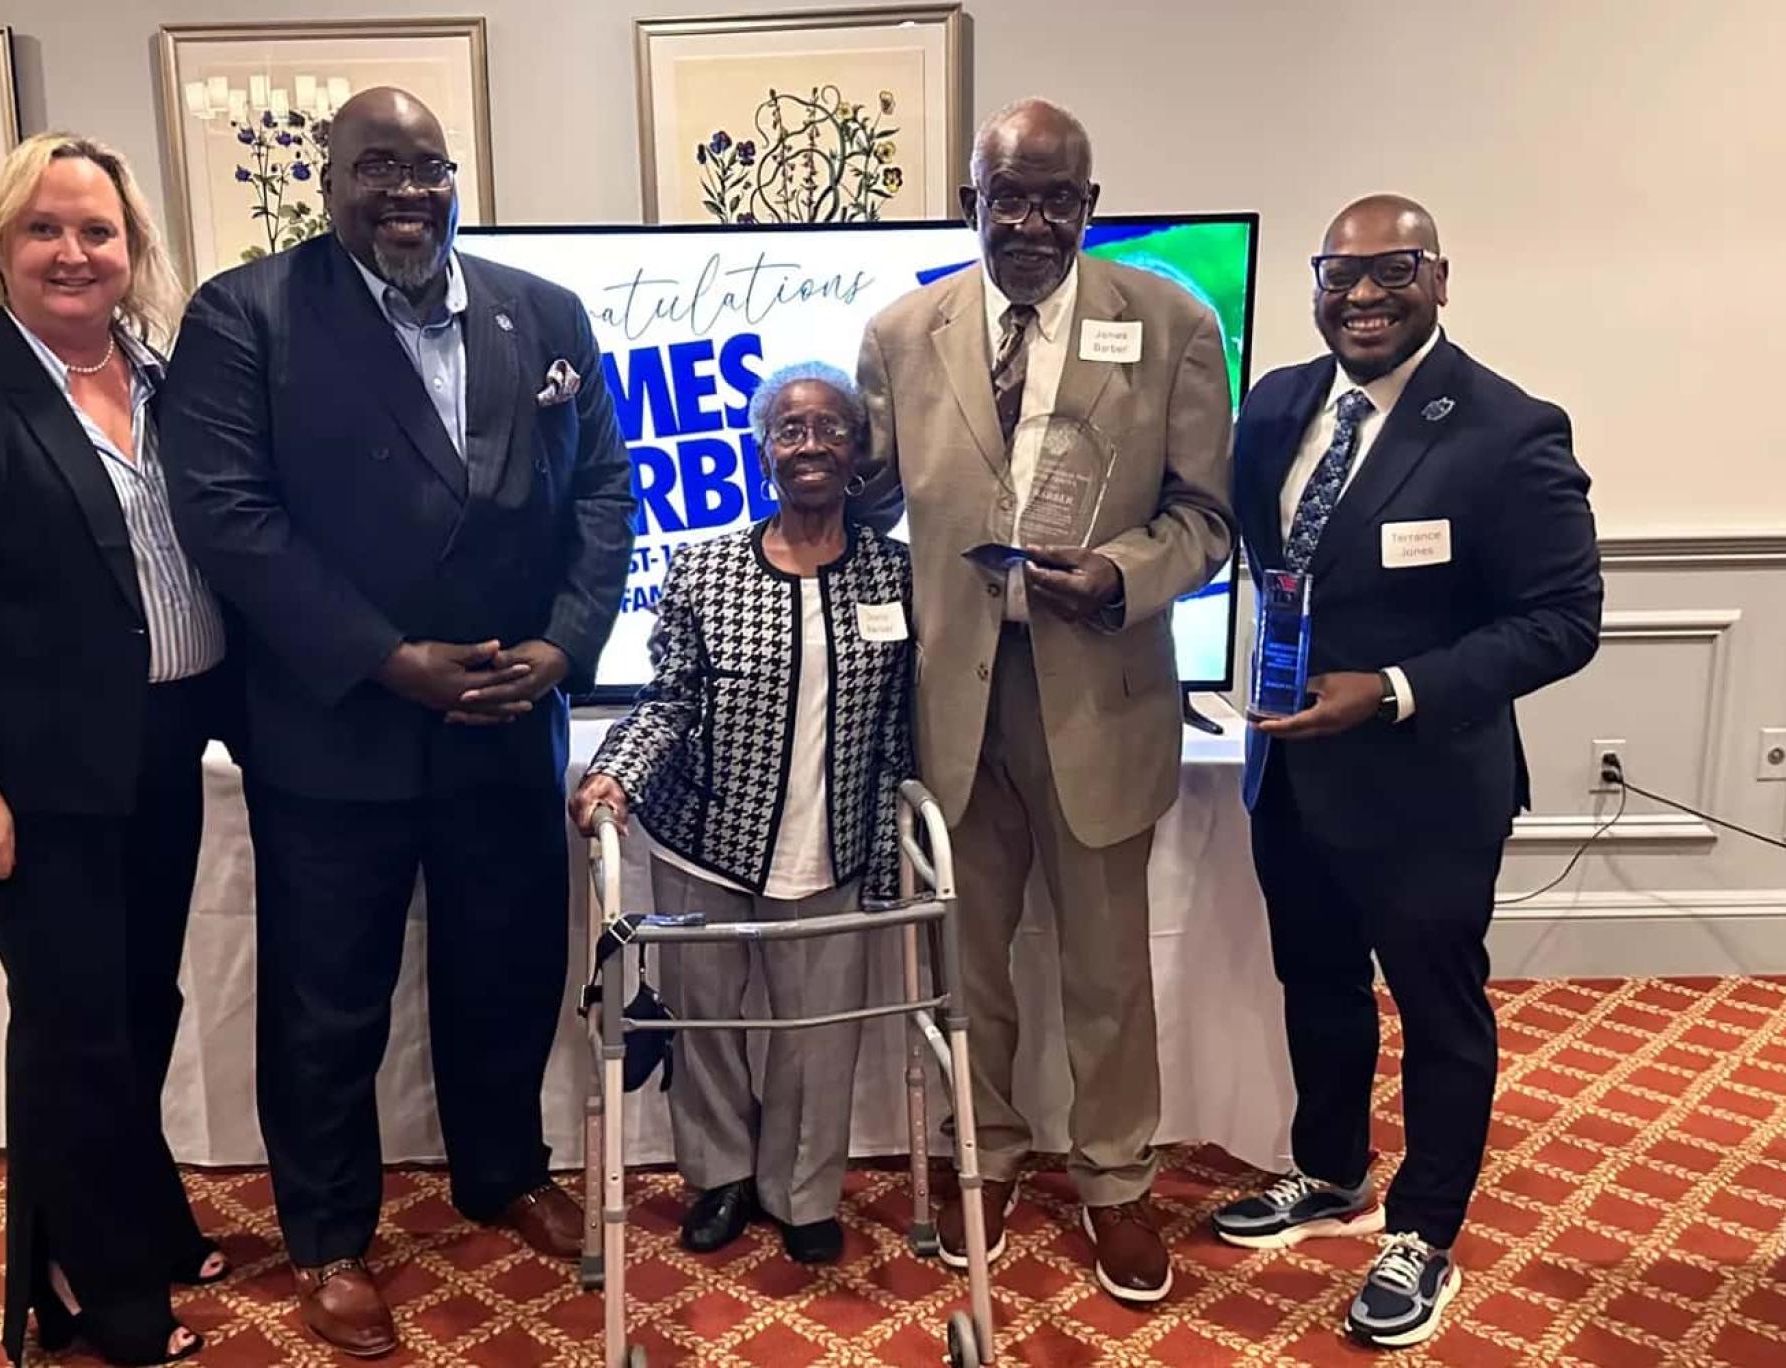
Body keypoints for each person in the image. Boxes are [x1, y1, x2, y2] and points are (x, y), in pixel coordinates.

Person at [158, 87, 634, 1359]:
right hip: (336, 729)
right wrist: (385, 660)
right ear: (326, 181)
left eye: (428, 167)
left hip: (506, 718)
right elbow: (227, 516)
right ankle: (326, 1237)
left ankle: (499, 1172)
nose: (408, 192)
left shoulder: (544, 313)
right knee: (328, 1005)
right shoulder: (245, 315)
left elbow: (600, 492)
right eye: (377, 167)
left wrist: (564, 646)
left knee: (506, 969)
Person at [0, 133, 231, 1366]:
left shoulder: (167, 379)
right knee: (72, 1024)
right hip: (33, 772)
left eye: (98, 232)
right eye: (45, 229)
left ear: (133, 253)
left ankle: (143, 1214)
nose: (74, 253)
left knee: (140, 1002)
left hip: (163, 745)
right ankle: (90, 1289)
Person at [853, 98, 1235, 1305]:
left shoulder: (1169, 322)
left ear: (1089, 203)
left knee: (1105, 968)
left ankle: (1116, 1180)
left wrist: (1123, 573)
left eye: (1052, 197)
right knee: (970, 964)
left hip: (1100, 693)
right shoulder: (902, 332)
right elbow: (869, 502)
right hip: (948, 700)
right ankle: (993, 1153)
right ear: (969, 200)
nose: (1026, 220)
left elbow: (1207, 520)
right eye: (1003, 195)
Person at [1211, 195, 1602, 1349]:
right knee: (1315, 989)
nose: (1362, 295)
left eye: (1391, 271)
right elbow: (1260, 552)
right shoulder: (1278, 403)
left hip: (1425, 783)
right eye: (1338, 274)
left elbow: (1563, 621)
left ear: (1439, 277)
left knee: (1437, 1012)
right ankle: (1328, 1171)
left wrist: (1389, 688)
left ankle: (1422, 1231)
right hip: (1286, 769)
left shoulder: (1504, 429)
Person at [572, 364, 916, 1267]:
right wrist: (615, 775)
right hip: (707, 843)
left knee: (817, 1036)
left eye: (830, 430)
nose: (810, 446)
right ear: (764, 454)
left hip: (835, 844)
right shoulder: (706, 567)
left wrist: (893, 846)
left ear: (859, 452)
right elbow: (670, 698)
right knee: (708, 1024)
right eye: (790, 431)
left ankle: (802, 1193)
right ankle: (720, 1178)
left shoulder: (895, 572)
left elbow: (909, 722)